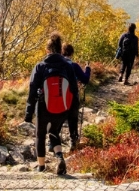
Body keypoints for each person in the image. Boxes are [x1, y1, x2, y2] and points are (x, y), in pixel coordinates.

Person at [25, 32, 79, 175]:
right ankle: (59, 157)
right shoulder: (68, 66)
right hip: (63, 108)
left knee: (40, 134)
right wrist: (73, 112)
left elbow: (32, 91)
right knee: (54, 131)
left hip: (44, 107)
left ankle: (41, 166)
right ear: (60, 49)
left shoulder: (40, 66)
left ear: (47, 50)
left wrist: (28, 113)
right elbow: (74, 89)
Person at [62, 43, 90, 149]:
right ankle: (73, 140)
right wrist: (88, 69)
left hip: (58, 96)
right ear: (72, 53)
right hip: (72, 95)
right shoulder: (73, 65)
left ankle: (53, 143)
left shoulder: (58, 65)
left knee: (58, 118)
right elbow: (85, 79)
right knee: (73, 118)